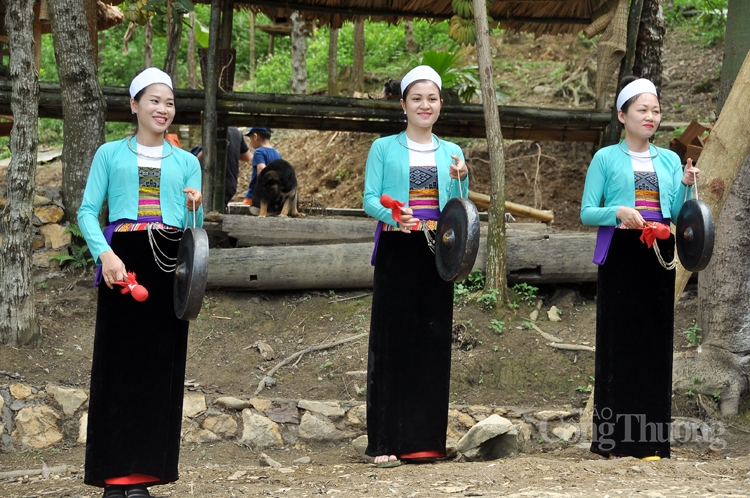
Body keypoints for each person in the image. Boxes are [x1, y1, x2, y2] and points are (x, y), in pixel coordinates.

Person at [78, 67, 203, 498]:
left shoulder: (187, 162)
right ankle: (113, 476)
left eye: (169, 102)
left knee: (159, 368)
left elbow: (193, 231)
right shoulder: (109, 154)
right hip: (122, 264)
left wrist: (195, 205)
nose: (163, 109)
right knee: (116, 367)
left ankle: (145, 475)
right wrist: (106, 254)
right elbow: (86, 211)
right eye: (154, 100)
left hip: (168, 266)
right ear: (134, 105)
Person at [580, 76, 700, 460]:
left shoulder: (669, 160)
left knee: (655, 346)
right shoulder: (605, 158)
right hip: (620, 253)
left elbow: (677, 213)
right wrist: (617, 211)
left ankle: (652, 443)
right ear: (622, 115)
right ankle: (614, 442)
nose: (650, 116)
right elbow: (586, 212)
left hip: (659, 253)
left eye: (656, 110)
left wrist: (685, 184)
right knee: (618, 344)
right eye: (642, 109)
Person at [362, 65, 469, 467]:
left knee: (433, 341)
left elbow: (459, 207)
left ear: (440, 104)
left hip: (438, 251)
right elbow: (369, 198)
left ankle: (426, 442)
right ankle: (386, 441)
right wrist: (393, 215)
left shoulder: (452, 151)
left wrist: (461, 179)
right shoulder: (383, 148)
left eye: (432, 98)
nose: (425, 105)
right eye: (417, 99)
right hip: (398, 247)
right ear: (404, 105)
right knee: (392, 342)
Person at [194, 126, 252, 206]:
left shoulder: (215, 129)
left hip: (215, 186)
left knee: (208, 210)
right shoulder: (236, 132)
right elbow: (247, 157)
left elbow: (199, 160)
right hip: (231, 185)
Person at [242, 126, 281, 209]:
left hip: (254, 196)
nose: (250, 142)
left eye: (250, 139)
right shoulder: (277, 154)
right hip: (272, 197)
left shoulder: (259, 152)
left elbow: (262, 171)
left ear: (255, 137)